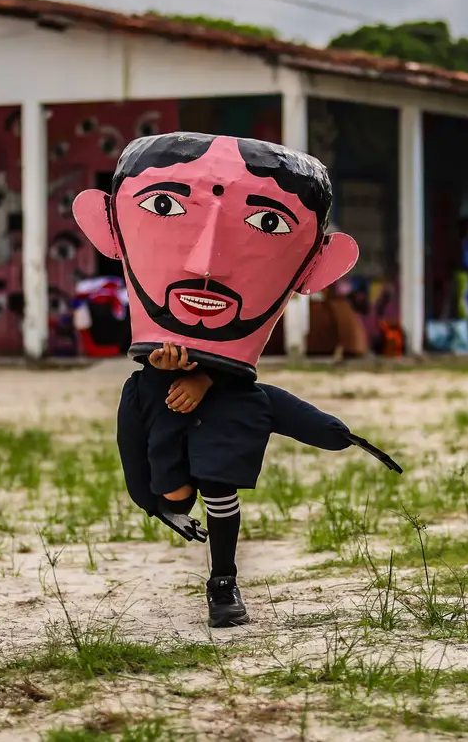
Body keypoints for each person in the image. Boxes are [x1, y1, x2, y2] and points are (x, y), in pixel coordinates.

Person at [73, 132, 402, 629]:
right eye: (163, 205)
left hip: (225, 401)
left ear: (317, 266)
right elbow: (132, 445)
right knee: (175, 492)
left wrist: (208, 379)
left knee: (218, 486)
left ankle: (222, 582)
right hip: (165, 401)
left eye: (268, 221)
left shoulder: (240, 399)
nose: (205, 264)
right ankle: (181, 514)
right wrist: (166, 373)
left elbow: (284, 410)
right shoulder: (142, 392)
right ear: (109, 229)